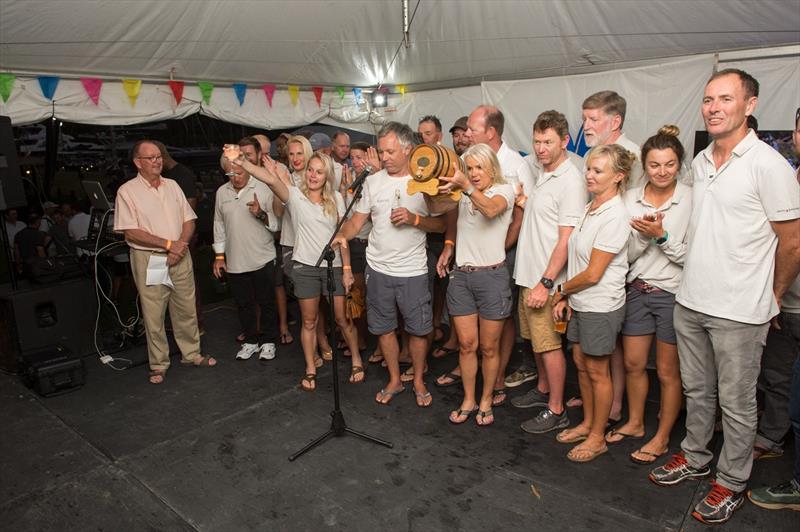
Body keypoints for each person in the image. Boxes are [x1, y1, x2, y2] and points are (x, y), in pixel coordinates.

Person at [649, 69, 800, 525]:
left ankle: (731, 481)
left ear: (749, 106)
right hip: (691, 301)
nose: (713, 107)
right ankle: (695, 455)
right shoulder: (698, 162)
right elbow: (699, 232)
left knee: (736, 404)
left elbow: (792, 242)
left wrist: (772, 296)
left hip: (740, 309)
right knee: (697, 390)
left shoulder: (769, 165)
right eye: (708, 99)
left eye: (725, 99)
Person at [333, 121, 446, 407]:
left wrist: (414, 219)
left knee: (419, 330)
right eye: (381, 151)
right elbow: (357, 220)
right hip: (378, 269)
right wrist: (341, 236)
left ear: (408, 150)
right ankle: (395, 379)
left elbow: (442, 224)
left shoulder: (426, 183)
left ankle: (418, 379)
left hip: (413, 270)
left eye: (390, 151)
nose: (383, 157)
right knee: (383, 327)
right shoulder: (372, 181)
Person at [238, 152, 363, 390]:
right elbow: (271, 180)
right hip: (305, 267)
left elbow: (343, 235)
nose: (313, 175)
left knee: (342, 319)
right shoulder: (295, 196)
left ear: (327, 175)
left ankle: (356, 359)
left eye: (319, 171)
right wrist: (243, 163)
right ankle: (310, 367)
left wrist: (347, 269)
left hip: (333, 266)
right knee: (309, 321)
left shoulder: (336, 197)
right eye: (311, 170)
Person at [551, 144, 634, 463]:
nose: (589, 174)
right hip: (581, 302)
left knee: (598, 371)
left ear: (619, 177)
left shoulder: (615, 215)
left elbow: (594, 273)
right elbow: (578, 261)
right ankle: (588, 422)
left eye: (598, 170)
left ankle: (598, 437)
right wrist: (570, 298)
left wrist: (560, 290)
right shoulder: (591, 206)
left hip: (601, 304)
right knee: (582, 364)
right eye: (589, 168)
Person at [612, 126, 691, 464]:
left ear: (679, 164)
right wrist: (644, 238)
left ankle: (661, 436)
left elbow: (691, 256)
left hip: (673, 294)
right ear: (644, 165)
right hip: (636, 290)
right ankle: (634, 422)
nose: (662, 172)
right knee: (632, 364)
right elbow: (623, 254)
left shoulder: (691, 198)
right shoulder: (630, 199)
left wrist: (661, 235)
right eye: (655, 165)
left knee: (667, 372)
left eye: (669, 164)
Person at [114, 140, 216, 384]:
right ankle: (159, 364)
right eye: (151, 158)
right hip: (152, 259)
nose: (157, 161)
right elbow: (131, 232)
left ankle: (191, 354)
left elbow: (189, 220)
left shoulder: (172, 186)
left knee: (186, 307)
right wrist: (168, 245)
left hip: (179, 255)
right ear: (138, 163)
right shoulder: (127, 192)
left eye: (159, 156)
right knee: (154, 312)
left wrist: (179, 245)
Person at [430, 143, 515, 426]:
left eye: (480, 167)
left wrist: (466, 185)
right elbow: (437, 210)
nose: (475, 173)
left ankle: (487, 398)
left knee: (489, 348)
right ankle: (468, 398)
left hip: (492, 277)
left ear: (492, 167)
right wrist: (428, 182)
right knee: (467, 345)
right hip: (462, 277)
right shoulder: (462, 193)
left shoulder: (504, 191)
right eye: (470, 168)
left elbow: (491, 210)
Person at [513, 111, 587, 434]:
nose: (541, 148)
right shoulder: (544, 174)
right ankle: (543, 389)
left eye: (548, 142)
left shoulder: (570, 180)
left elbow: (566, 239)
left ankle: (557, 409)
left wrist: (546, 283)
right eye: (537, 141)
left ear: (565, 142)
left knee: (549, 345)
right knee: (534, 342)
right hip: (527, 276)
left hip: (545, 279)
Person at [748, 106, 800, 512]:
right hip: (785, 300)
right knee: (779, 375)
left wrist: (775, 293)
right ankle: (772, 438)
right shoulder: (790, 175)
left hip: (785, 298)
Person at [580, 89, 642, 424]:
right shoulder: (594, 155)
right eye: (584, 118)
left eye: (593, 119)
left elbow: (633, 216)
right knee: (601, 352)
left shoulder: (629, 156)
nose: (586, 125)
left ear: (614, 121)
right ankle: (601, 410)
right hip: (600, 264)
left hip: (621, 266)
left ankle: (613, 407)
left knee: (611, 350)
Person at [213, 139, 279, 361]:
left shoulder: (263, 187)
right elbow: (219, 225)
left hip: (262, 256)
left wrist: (260, 213)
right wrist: (219, 256)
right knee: (243, 304)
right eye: (230, 174)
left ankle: (269, 340)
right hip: (235, 260)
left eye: (238, 172)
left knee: (266, 301)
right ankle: (251, 340)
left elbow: (276, 225)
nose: (235, 177)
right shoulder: (222, 192)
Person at [253, 134, 293, 346]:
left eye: (269, 152)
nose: (266, 156)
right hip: (255, 237)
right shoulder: (246, 172)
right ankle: (257, 328)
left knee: (277, 283)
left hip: (277, 234)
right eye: (262, 152)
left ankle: (284, 326)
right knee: (257, 285)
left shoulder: (281, 170)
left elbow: (284, 206)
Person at [14, 213, 47, 277]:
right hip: (36, 266)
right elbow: (40, 251)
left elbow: (16, 251)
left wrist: (18, 264)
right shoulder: (38, 234)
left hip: (25, 265)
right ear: (38, 221)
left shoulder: (18, 234)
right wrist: (45, 265)